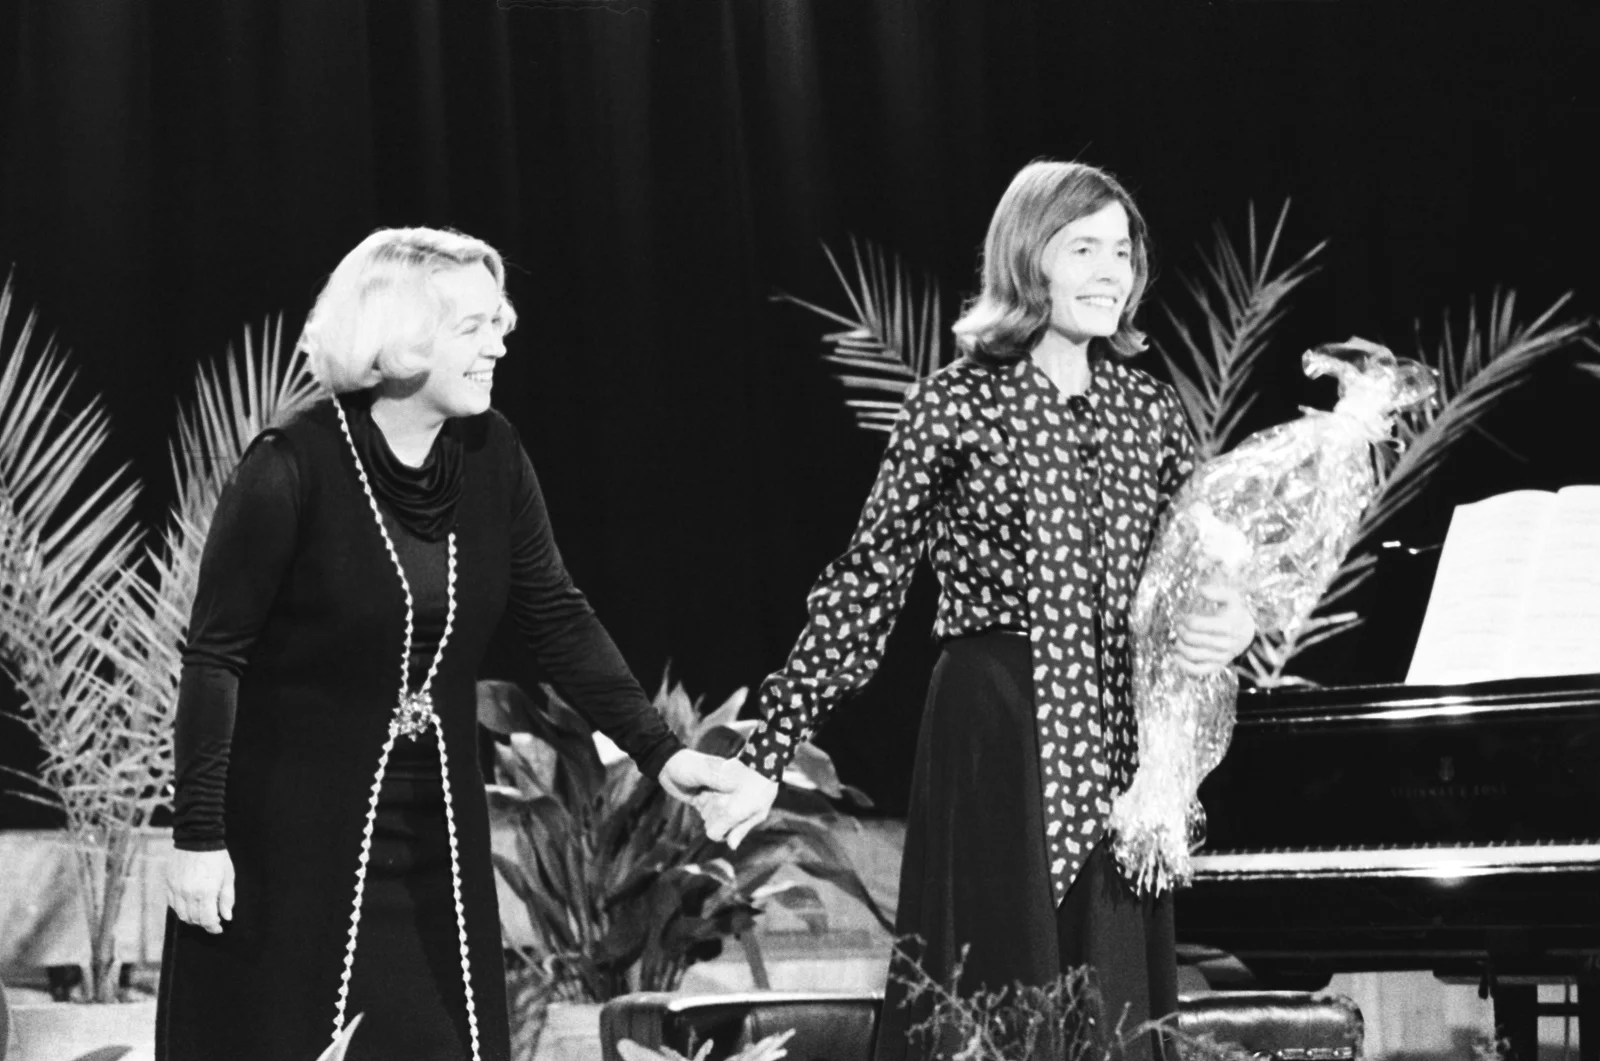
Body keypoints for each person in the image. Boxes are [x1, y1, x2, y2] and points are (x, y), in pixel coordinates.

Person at [705, 162, 1257, 1060]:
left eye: (1123, 252)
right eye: (1084, 249)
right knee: (997, 995)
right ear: (1027, 257)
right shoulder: (954, 403)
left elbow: (1192, 574)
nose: (1111, 272)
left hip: (1120, 743)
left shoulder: (1150, 411)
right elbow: (866, 584)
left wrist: (1231, 620)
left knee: (1117, 1006)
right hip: (997, 730)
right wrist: (769, 750)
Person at [159, 227, 753, 1061]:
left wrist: (661, 752)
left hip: (433, 838)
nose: (499, 342)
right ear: (397, 339)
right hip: (291, 844)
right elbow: (215, 658)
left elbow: (557, 615)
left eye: (498, 321)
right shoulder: (290, 465)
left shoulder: (492, 454)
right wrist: (198, 835)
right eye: (473, 325)